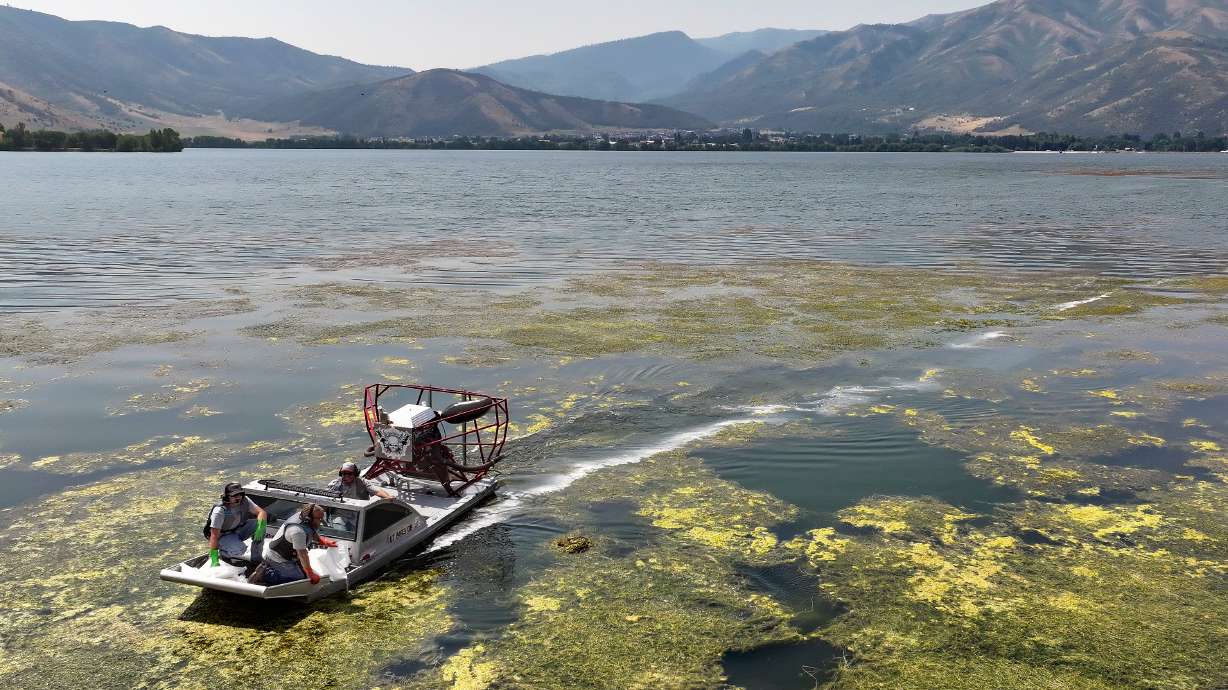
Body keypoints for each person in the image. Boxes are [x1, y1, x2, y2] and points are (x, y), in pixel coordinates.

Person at [253, 503, 338, 585]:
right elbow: (302, 555)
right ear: (309, 518)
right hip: (278, 558)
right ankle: (266, 574)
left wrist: (323, 541)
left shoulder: (303, 517)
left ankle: (270, 568)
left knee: (303, 573)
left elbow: (311, 530)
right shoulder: (297, 532)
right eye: (319, 519)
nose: (321, 522)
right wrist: (310, 573)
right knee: (298, 578)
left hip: (289, 555)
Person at [204, 482, 267, 567]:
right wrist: (214, 559)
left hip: (236, 529)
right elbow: (214, 535)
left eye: (240, 494)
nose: (238, 497)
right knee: (240, 550)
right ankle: (223, 554)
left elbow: (261, 512)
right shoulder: (220, 511)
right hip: (223, 535)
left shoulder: (245, 500)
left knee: (260, 524)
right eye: (234, 495)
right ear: (227, 497)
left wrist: (260, 528)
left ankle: (256, 558)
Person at [327, 461, 393, 500]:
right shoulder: (335, 484)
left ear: (355, 474)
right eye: (344, 473)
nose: (346, 476)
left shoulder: (362, 482)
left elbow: (377, 491)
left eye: (349, 474)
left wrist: (388, 497)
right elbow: (326, 496)